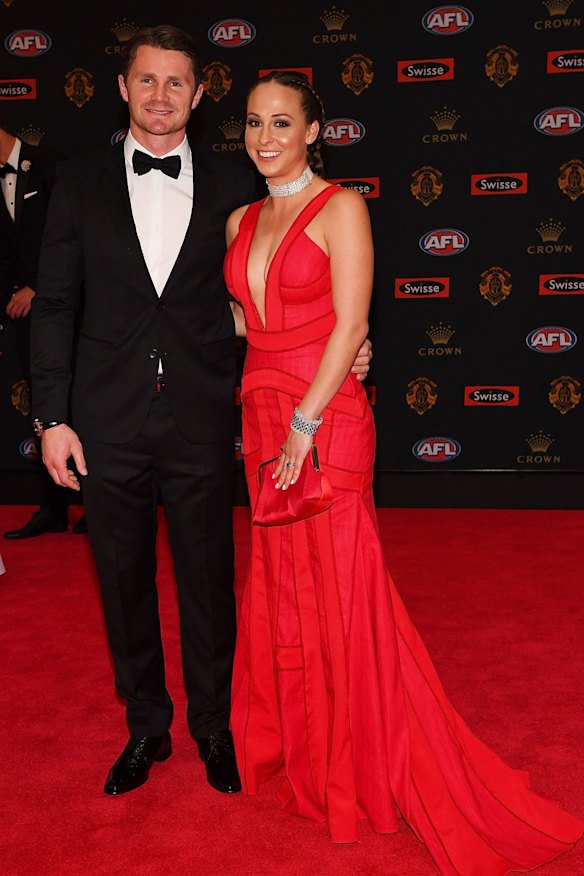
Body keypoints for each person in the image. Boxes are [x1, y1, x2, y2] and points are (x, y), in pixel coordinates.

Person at [224, 71, 583, 873]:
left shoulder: (341, 207)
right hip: (261, 416)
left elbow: (352, 322)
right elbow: (246, 318)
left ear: (314, 130)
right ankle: (309, 752)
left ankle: (369, 760)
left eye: (281, 122)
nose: (264, 137)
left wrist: (306, 420)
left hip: (321, 420)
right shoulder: (239, 220)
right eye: (252, 122)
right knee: (286, 592)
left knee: (346, 592)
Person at [29, 27, 371, 799]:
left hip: (205, 415)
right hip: (105, 419)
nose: (160, 96)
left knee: (210, 581)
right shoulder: (77, 182)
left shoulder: (238, 183)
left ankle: (214, 725)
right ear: (123, 88)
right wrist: (51, 416)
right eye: (147, 80)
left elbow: (285, 282)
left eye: (176, 82)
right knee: (122, 581)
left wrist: (350, 343)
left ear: (198, 94)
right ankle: (145, 725)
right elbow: (52, 306)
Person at [0, 118, 87, 538]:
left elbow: (75, 236)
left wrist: (37, 287)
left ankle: (96, 503)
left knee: (84, 404)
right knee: (44, 409)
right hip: (25, 317)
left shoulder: (51, 164)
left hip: (70, 310)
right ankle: (53, 508)